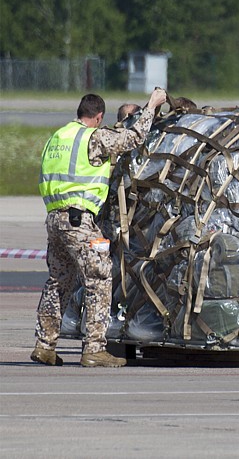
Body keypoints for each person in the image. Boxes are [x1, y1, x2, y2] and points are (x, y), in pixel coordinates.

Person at [32, 87, 167, 368]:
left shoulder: (57, 137)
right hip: (78, 221)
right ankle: (94, 348)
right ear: (99, 117)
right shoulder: (93, 138)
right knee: (100, 279)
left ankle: (45, 345)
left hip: (54, 219)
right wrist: (152, 105)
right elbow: (133, 137)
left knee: (58, 282)